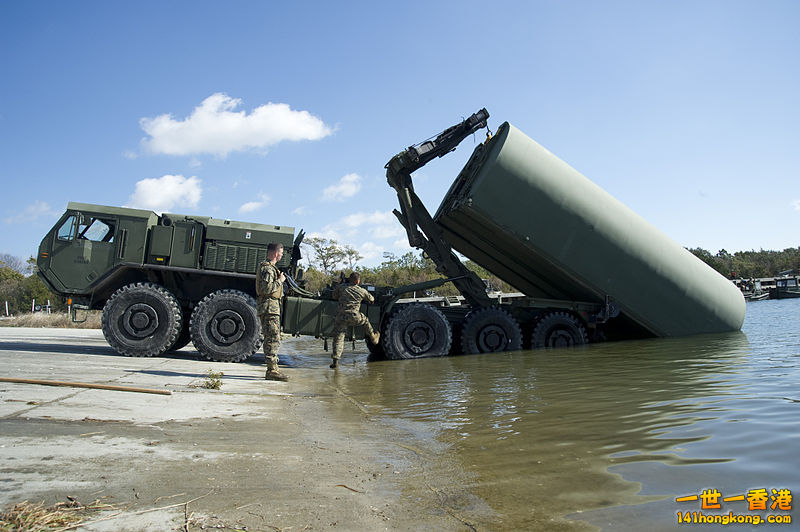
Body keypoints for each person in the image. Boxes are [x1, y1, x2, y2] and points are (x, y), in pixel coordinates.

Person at [330, 272, 380, 369]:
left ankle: (335, 361)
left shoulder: (341, 288)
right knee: (365, 320)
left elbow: (334, 296)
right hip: (354, 316)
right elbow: (372, 299)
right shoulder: (361, 290)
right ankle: (373, 337)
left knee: (338, 338)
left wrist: (340, 285)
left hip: (341, 317)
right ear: (358, 281)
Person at [256, 242, 288, 381]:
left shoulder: (269, 268)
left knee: (273, 337)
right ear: (275, 253)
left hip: (270, 307)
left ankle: (273, 369)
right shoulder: (268, 269)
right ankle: (272, 370)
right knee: (272, 338)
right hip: (270, 307)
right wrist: (280, 281)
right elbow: (267, 289)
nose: (281, 256)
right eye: (280, 253)